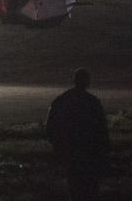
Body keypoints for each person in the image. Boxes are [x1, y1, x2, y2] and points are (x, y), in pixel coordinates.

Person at [46, 68, 111, 201]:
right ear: (88, 82)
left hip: (71, 151)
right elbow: (102, 129)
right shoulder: (93, 102)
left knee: (74, 186)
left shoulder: (62, 100)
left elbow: (51, 126)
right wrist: (104, 150)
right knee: (90, 187)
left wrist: (57, 145)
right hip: (89, 151)